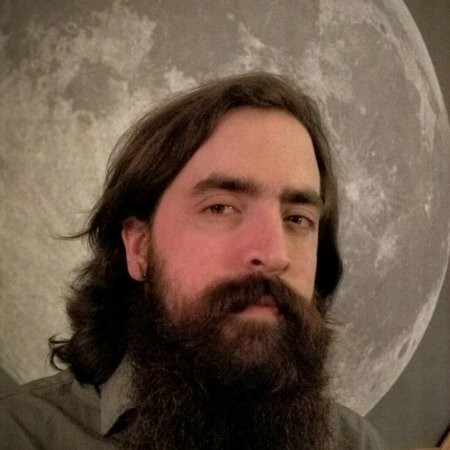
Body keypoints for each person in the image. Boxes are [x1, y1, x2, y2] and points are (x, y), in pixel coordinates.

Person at [0, 72, 387, 449]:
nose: (273, 254)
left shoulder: (354, 443)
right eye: (220, 207)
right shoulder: (20, 436)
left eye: (297, 219)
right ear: (139, 248)